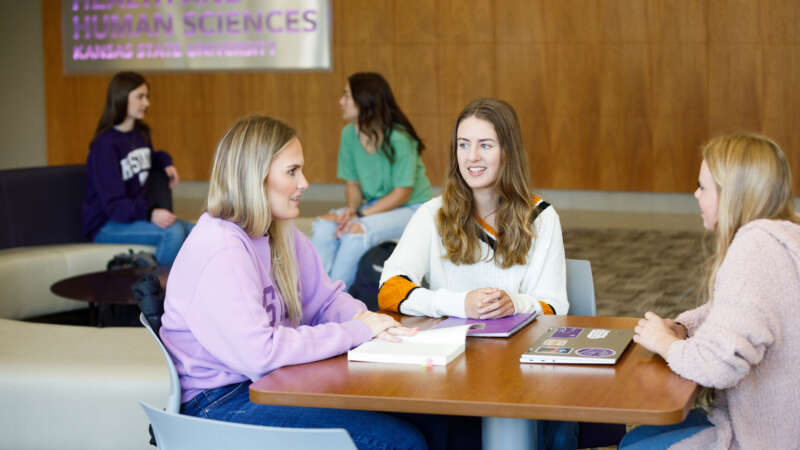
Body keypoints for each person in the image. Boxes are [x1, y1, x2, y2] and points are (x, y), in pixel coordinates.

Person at [159, 115, 451, 450]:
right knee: (400, 442)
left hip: (269, 382)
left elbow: (326, 300)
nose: (304, 183)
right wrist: (358, 331)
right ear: (255, 177)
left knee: (439, 420)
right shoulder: (220, 249)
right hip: (218, 402)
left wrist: (370, 322)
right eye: (292, 171)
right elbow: (261, 354)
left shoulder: (279, 232)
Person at [378, 98, 575, 449]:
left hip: (519, 369)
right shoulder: (432, 214)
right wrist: (459, 304)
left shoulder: (542, 217)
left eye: (485, 145)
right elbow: (390, 289)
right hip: (451, 369)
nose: (472, 157)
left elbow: (555, 307)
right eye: (463, 145)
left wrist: (513, 302)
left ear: (507, 152)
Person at [620, 132, 800, 449]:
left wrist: (664, 343)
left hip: (764, 438)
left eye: (703, 187)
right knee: (638, 437)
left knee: (635, 446)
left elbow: (720, 366)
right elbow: (736, 309)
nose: (695, 194)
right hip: (776, 425)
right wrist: (684, 326)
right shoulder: (785, 234)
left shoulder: (755, 249)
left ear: (732, 196)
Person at [311, 72, 432, 289]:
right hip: (373, 207)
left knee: (357, 232)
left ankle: (335, 296)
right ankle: (318, 292)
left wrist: (359, 216)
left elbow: (401, 194)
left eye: (347, 96)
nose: (341, 101)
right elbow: (353, 184)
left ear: (365, 101)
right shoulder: (349, 134)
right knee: (325, 225)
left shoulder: (399, 138)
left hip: (412, 209)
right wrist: (350, 210)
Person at [82, 71, 192, 266]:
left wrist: (165, 161)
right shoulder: (104, 146)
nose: (146, 103)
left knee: (196, 231)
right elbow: (114, 205)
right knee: (173, 232)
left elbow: (148, 157)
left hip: (133, 216)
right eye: (140, 97)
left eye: (147, 97)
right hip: (107, 224)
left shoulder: (140, 134)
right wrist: (150, 213)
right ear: (122, 98)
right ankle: (152, 285)